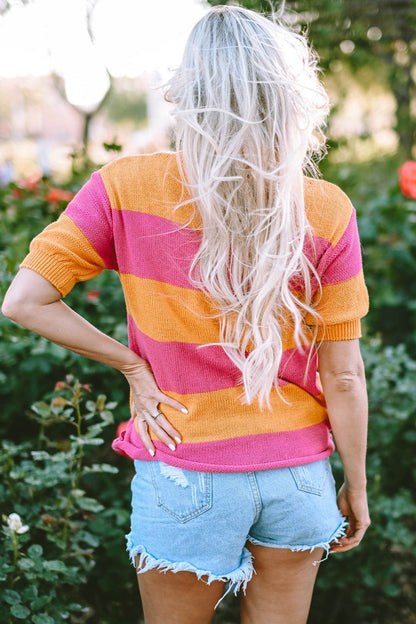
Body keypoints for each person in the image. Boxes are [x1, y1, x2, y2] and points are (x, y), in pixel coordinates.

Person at [2, 5, 370, 624]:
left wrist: (132, 367)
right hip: (300, 474)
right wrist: (355, 486)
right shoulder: (326, 208)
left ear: (185, 93)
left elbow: (24, 302)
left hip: (184, 466)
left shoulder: (126, 186)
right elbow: (345, 376)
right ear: (287, 95)